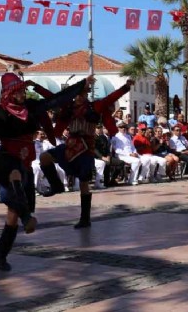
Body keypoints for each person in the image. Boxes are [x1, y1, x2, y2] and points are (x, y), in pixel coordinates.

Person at [0, 71, 90, 271]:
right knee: (14, 176)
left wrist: (81, 85)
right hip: (4, 159)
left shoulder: (30, 108)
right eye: (18, 91)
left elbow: (55, 100)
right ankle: (27, 219)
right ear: (8, 93)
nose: (22, 94)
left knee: (11, 216)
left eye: (23, 90)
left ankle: (1, 255)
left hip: (24, 163)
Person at [36, 79, 134, 229]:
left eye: (82, 94)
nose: (80, 97)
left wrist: (126, 87)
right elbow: (53, 98)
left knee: (84, 183)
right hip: (69, 145)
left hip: (86, 148)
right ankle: (56, 185)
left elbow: (111, 98)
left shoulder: (94, 107)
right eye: (78, 94)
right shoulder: (68, 106)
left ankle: (85, 218)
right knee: (44, 157)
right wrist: (36, 87)